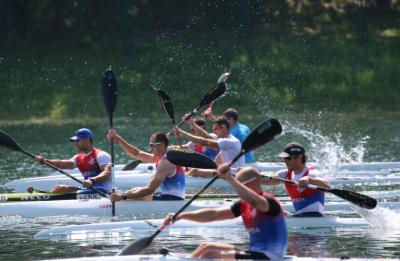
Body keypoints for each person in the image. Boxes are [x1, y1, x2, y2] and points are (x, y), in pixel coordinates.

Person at [163, 165, 288, 260]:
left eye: (239, 186)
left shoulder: (269, 203)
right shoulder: (243, 205)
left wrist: (230, 179)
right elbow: (214, 214)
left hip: (269, 257)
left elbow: (256, 202)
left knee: (210, 254)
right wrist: (181, 216)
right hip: (254, 253)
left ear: (251, 184)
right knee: (206, 246)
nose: (237, 191)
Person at [107, 130, 185, 201]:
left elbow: (150, 190)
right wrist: (118, 138)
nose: (149, 149)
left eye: (152, 145)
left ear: (161, 145)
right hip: (169, 197)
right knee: (134, 191)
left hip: (172, 200)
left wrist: (122, 196)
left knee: (131, 195)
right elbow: (137, 153)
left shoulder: (166, 162)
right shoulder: (161, 157)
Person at [35, 128, 112, 194]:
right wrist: (45, 161)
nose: (75, 143)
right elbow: (61, 164)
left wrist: (92, 180)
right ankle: (45, 200)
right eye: (75, 141)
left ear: (87, 140)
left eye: (78, 140)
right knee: (59, 188)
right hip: (88, 190)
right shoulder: (78, 158)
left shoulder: (101, 155)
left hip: (103, 192)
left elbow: (107, 173)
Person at [263, 142, 330, 217]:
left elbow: (327, 185)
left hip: (315, 216)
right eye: (284, 158)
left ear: (300, 157)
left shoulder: (312, 173)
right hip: (299, 217)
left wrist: (310, 180)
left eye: (288, 158)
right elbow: (265, 181)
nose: (285, 161)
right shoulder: (284, 174)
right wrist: (270, 178)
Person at [174, 117, 245, 177]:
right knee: (190, 169)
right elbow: (207, 137)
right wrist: (192, 123)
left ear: (223, 128)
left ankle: (184, 181)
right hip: (230, 172)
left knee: (194, 171)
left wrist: (183, 132)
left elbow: (203, 142)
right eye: (213, 129)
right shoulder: (224, 141)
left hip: (233, 175)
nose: (214, 131)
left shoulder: (229, 141)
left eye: (215, 128)